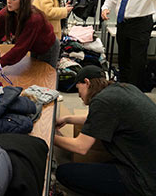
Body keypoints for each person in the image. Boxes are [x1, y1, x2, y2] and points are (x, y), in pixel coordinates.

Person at [54, 65, 156, 195]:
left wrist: (50, 137)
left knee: (64, 172)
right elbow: (99, 118)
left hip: (144, 180)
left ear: (87, 82)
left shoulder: (103, 101)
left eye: (78, 88)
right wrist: (68, 119)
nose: (79, 95)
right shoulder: (123, 89)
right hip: (147, 165)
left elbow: (81, 147)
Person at [101, 0, 156, 91]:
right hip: (123, 24)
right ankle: (123, 89)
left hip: (141, 24)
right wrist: (105, 8)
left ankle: (134, 93)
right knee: (123, 59)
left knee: (137, 61)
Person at [0, 0, 59, 68]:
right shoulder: (6, 13)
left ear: (23, 0)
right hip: (33, 46)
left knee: (45, 75)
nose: (9, 1)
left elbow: (20, 49)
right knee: (34, 72)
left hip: (48, 47)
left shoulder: (34, 19)